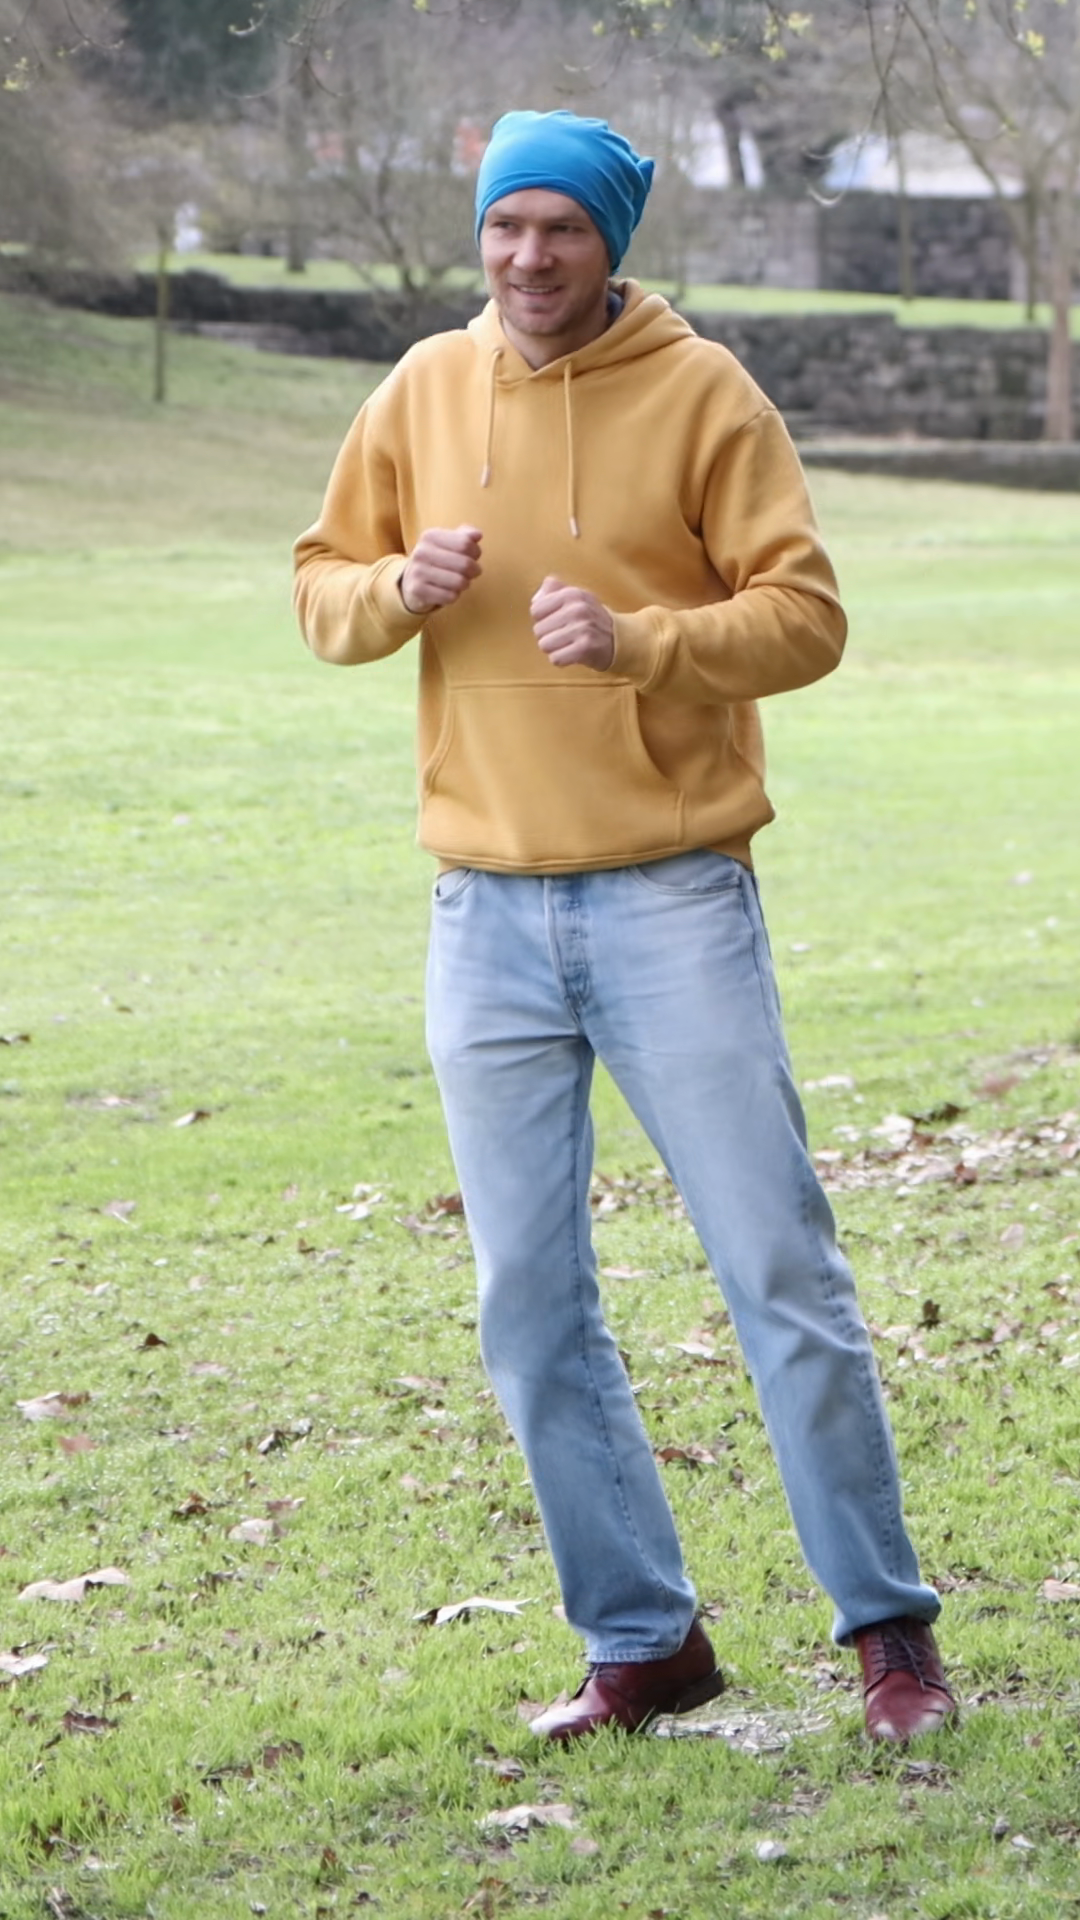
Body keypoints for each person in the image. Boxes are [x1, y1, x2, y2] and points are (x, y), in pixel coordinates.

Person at [293, 108, 957, 1747]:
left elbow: (806, 617)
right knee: (528, 1304)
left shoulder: (706, 392)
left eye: (562, 229)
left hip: (671, 896)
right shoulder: (420, 390)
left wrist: (647, 641)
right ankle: (645, 1643)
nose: (528, 256)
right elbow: (320, 585)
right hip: (483, 908)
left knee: (777, 1269)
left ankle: (889, 1635)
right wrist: (394, 593)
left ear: (611, 246)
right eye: (505, 225)